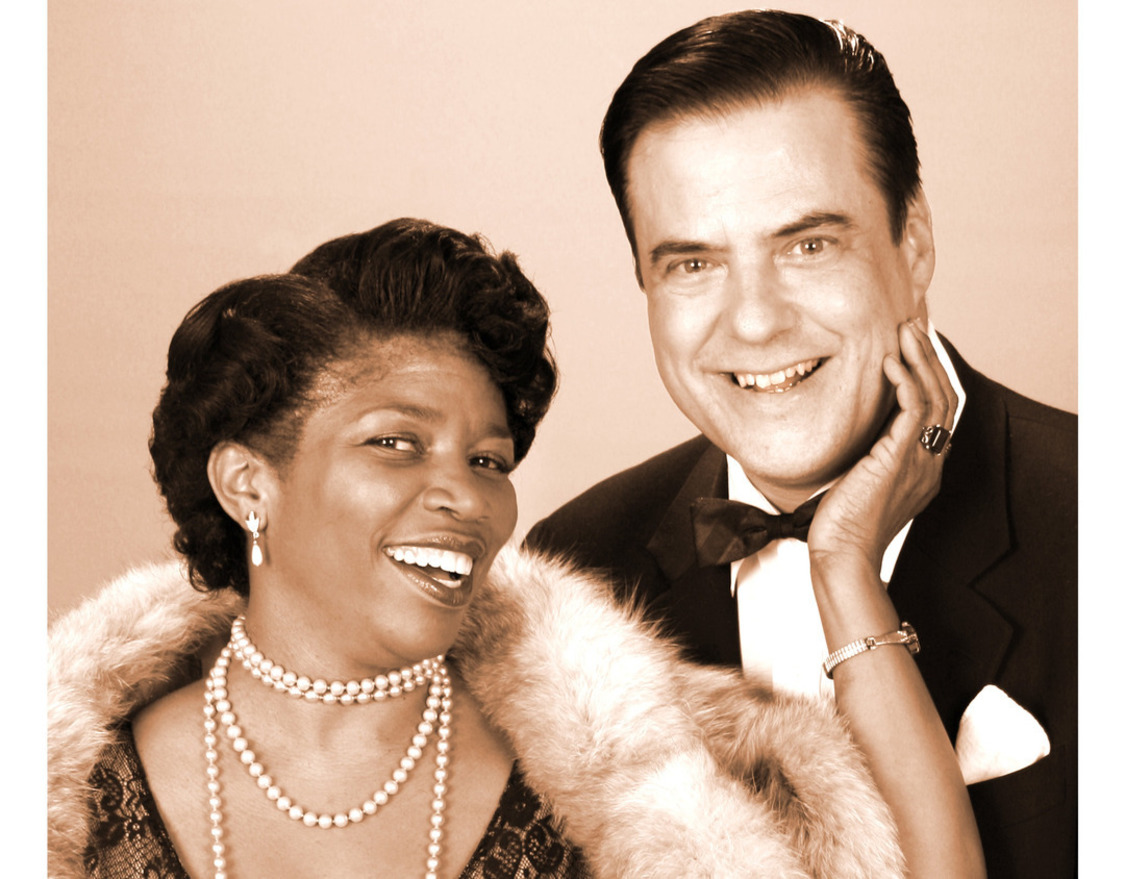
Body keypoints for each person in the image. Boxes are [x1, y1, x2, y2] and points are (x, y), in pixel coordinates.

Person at [48, 218, 955, 879]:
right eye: (395, 442)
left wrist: (844, 566)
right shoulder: (59, 791)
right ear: (248, 483)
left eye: (487, 460)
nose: (465, 495)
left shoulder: (659, 778)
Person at [527, 10, 1076, 879]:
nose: (753, 321)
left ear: (913, 244)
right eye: (693, 264)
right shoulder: (577, 574)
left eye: (808, 244)